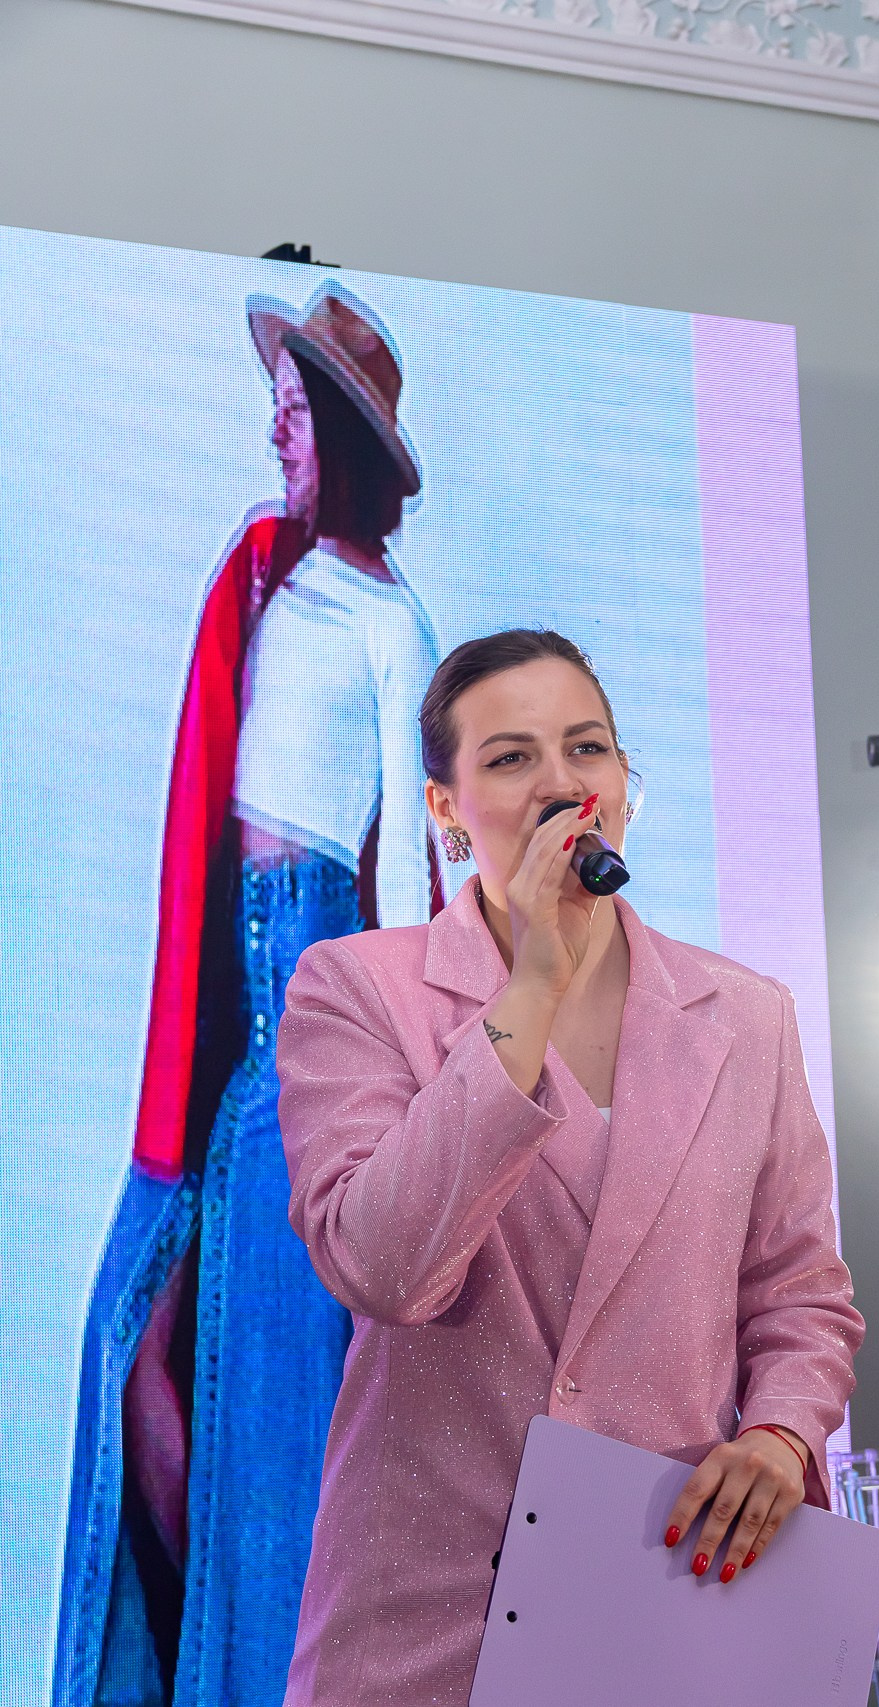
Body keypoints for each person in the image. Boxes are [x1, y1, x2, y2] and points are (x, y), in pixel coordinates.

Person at [275, 627, 865, 1707]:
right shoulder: (354, 989)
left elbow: (799, 1293)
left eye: (587, 749)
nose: (561, 784)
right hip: (433, 1622)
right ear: (446, 811)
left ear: (625, 786)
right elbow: (384, 1267)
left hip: (670, 1600)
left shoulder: (746, 1016)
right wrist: (530, 992)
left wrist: (782, 1435)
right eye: (511, 758)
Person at [53, 283, 438, 1707]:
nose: (274, 429)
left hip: (320, 1017)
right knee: (135, 1362)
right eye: (274, 405)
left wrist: (408, 1096)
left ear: (343, 434)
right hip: (239, 1033)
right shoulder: (268, 583)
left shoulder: (391, 625)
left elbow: (411, 876)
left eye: (294, 409)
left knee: (270, 1430)